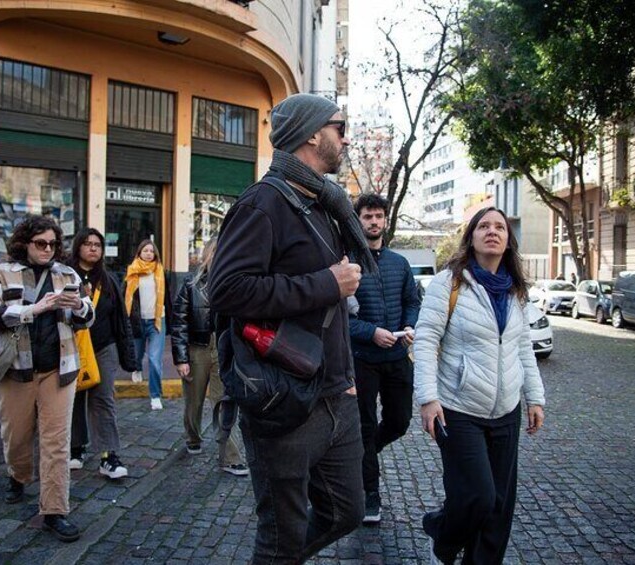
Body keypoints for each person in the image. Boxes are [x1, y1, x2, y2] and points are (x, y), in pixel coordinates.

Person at [210, 93, 374, 564]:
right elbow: (227, 290)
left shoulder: (324, 202)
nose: (346, 137)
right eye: (339, 127)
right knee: (281, 533)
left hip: (335, 395)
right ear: (310, 134)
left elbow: (334, 308)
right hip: (284, 396)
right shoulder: (264, 202)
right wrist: (326, 283)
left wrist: (345, 377)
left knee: (347, 512)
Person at [414, 207, 546, 565]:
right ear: (471, 237)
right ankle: (442, 534)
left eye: (500, 227)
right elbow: (425, 339)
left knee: (499, 506)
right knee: (478, 496)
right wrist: (428, 398)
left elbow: (522, 347)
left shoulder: (515, 289)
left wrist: (534, 397)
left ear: (508, 239)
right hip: (459, 408)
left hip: (506, 409)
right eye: (483, 226)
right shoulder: (450, 282)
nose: (492, 231)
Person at [0, 215, 94, 542]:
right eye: (40, 243)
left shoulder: (67, 274)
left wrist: (79, 307)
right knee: (17, 434)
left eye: (53, 244)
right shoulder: (2, 272)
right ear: (25, 243)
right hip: (15, 370)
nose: (47, 250)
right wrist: (34, 309)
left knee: (57, 441)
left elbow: (87, 317)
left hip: (59, 368)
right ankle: (18, 474)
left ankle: (54, 510)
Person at [348, 193, 421, 524]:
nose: (373, 221)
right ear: (358, 221)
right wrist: (371, 332)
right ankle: (370, 494)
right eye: (367, 217)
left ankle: (362, 457)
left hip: (396, 356)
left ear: (385, 221)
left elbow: (412, 301)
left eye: (378, 216)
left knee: (400, 421)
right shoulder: (347, 265)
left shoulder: (399, 263)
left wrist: (409, 325)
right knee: (364, 427)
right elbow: (341, 319)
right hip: (362, 357)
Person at [170, 237, 249, 476]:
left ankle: (230, 457)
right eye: (216, 251)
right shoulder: (190, 284)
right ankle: (193, 437)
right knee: (193, 403)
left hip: (224, 348)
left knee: (224, 402)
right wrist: (181, 358)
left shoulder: (234, 283)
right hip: (197, 348)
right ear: (207, 254)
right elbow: (179, 323)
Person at [67, 228, 138, 479]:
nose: (93, 248)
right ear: (78, 248)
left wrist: (128, 354)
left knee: (103, 399)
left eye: (97, 244)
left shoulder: (108, 280)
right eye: (87, 244)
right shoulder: (64, 276)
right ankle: (75, 448)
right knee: (74, 398)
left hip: (104, 347)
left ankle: (109, 455)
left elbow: (120, 318)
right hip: (72, 346)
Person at [124, 240, 171, 410]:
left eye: (152, 250)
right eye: (145, 250)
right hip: (137, 321)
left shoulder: (160, 272)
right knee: (137, 355)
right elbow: (126, 297)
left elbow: (168, 298)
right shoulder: (132, 271)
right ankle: (136, 369)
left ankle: (155, 396)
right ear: (139, 253)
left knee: (154, 359)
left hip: (157, 321)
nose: (149, 253)